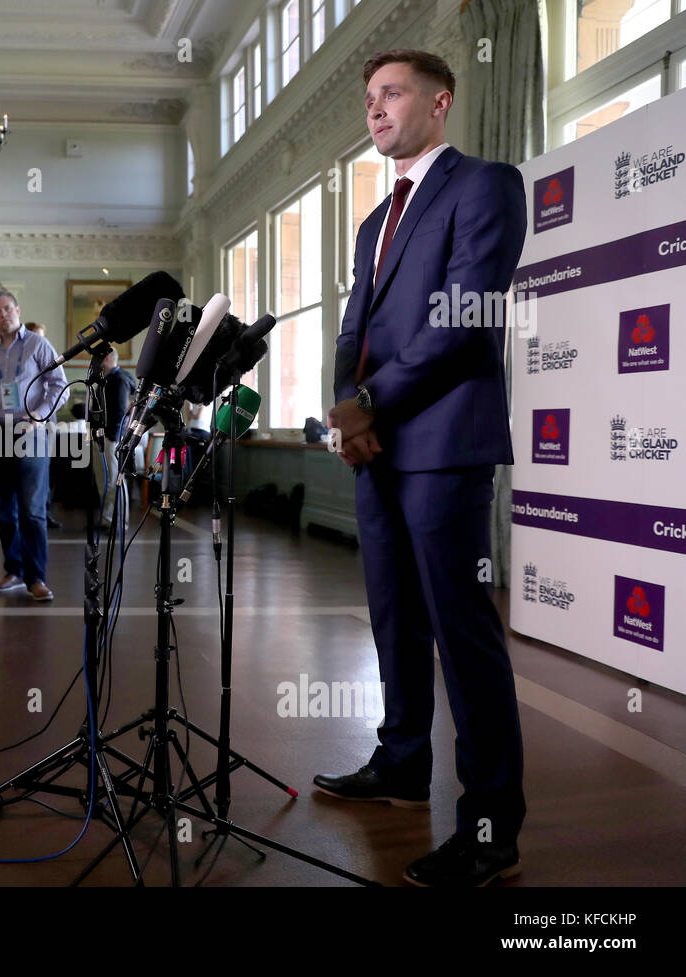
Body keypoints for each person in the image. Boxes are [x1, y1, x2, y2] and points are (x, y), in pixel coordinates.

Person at [315, 49, 527, 888]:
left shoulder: (485, 184)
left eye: (391, 93)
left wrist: (371, 398)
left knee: (461, 633)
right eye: (369, 98)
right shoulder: (374, 223)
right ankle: (402, 766)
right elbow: (349, 330)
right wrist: (346, 402)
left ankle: (489, 826)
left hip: (443, 445)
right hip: (375, 449)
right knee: (394, 619)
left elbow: (465, 319)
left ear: (440, 101)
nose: (375, 110)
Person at [0, 292, 67, 601]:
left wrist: (37, 415)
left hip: (28, 431)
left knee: (32, 512)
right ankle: (14, 571)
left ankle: (37, 578)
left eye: (7, 308)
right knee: (4, 511)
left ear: (17, 310)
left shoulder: (38, 344)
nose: (3, 314)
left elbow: (58, 386)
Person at [23, 322, 63, 530]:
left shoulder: (51, 361)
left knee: (47, 468)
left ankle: (45, 512)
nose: (40, 342)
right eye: (36, 337)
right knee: (29, 469)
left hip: (49, 419)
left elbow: (58, 389)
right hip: (26, 420)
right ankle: (29, 512)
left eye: (42, 337)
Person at [92, 348, 135, 528]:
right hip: (103, 436)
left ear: (107, 357)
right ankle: (108, 518)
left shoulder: (119, 380)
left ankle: (117, 521)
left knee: (113, 479)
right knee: (105, 480)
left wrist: (111, 438)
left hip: (111, 438)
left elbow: (119, 413)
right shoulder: (108, 379)